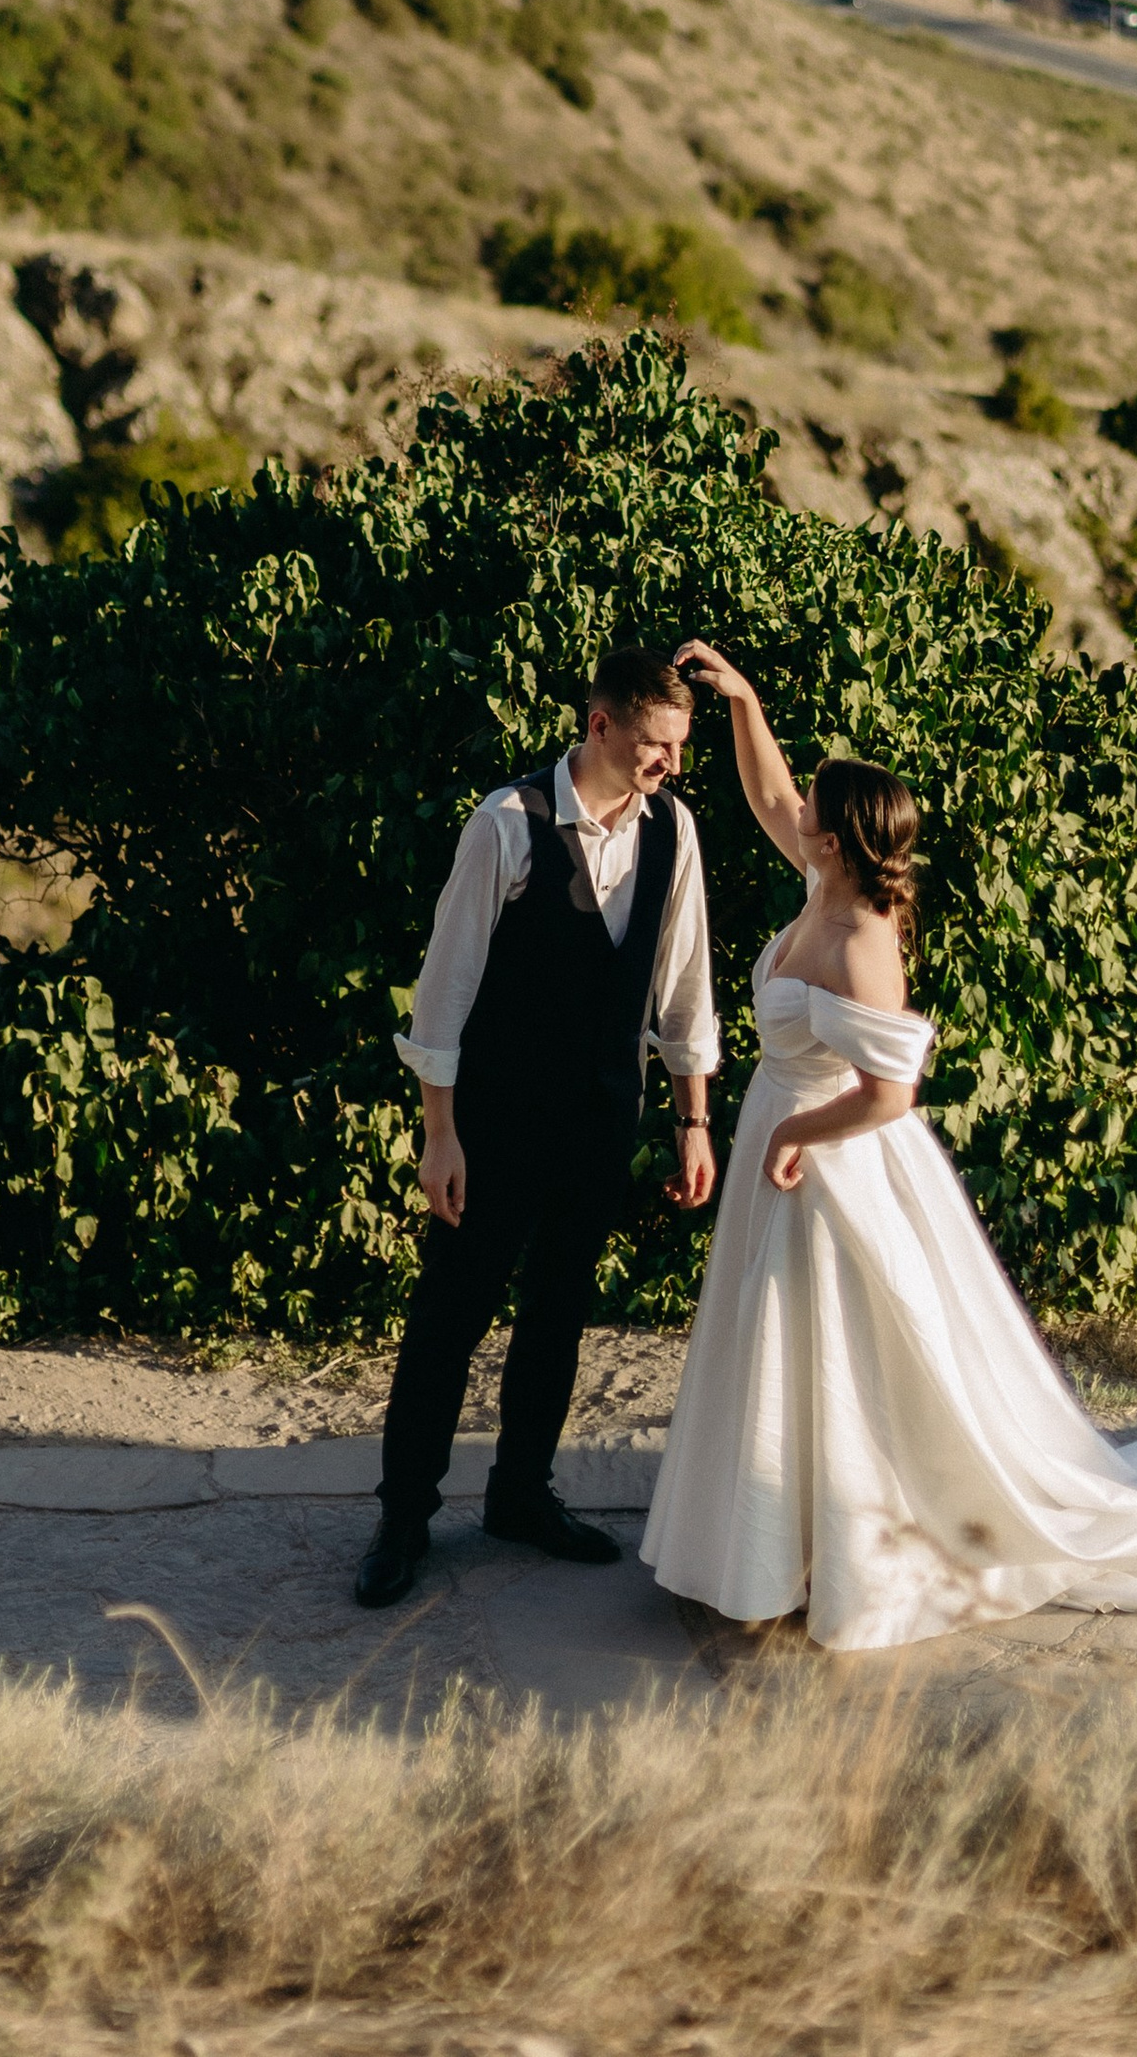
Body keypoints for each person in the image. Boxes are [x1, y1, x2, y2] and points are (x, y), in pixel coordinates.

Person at [641, 639, 1137, 1651]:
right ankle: (773, 1542)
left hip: (834, 1157)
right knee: (777, 1347)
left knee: (837, 1349)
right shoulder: (821, 880)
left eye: (816, 808)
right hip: (787, 1136)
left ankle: (838, 1549)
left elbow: (890, 1097)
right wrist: (744, 702)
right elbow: (767, 797)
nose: (795, 814)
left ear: (843, 840)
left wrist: (800, 1128)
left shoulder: (860, 943)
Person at [355, 645, 720, 1609]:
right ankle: (403, 1517)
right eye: (654, 745)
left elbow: (686, 991)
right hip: (495, 1125)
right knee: (450, 1319)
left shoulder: (675, 833)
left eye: (679, 748)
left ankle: (521, 1495)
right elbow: (443, 995)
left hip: (602, 1119)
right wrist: (441, 1134)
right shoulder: (506, 824)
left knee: (557, 1316)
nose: (669, 765)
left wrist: (693, 1119)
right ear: (598, 727)